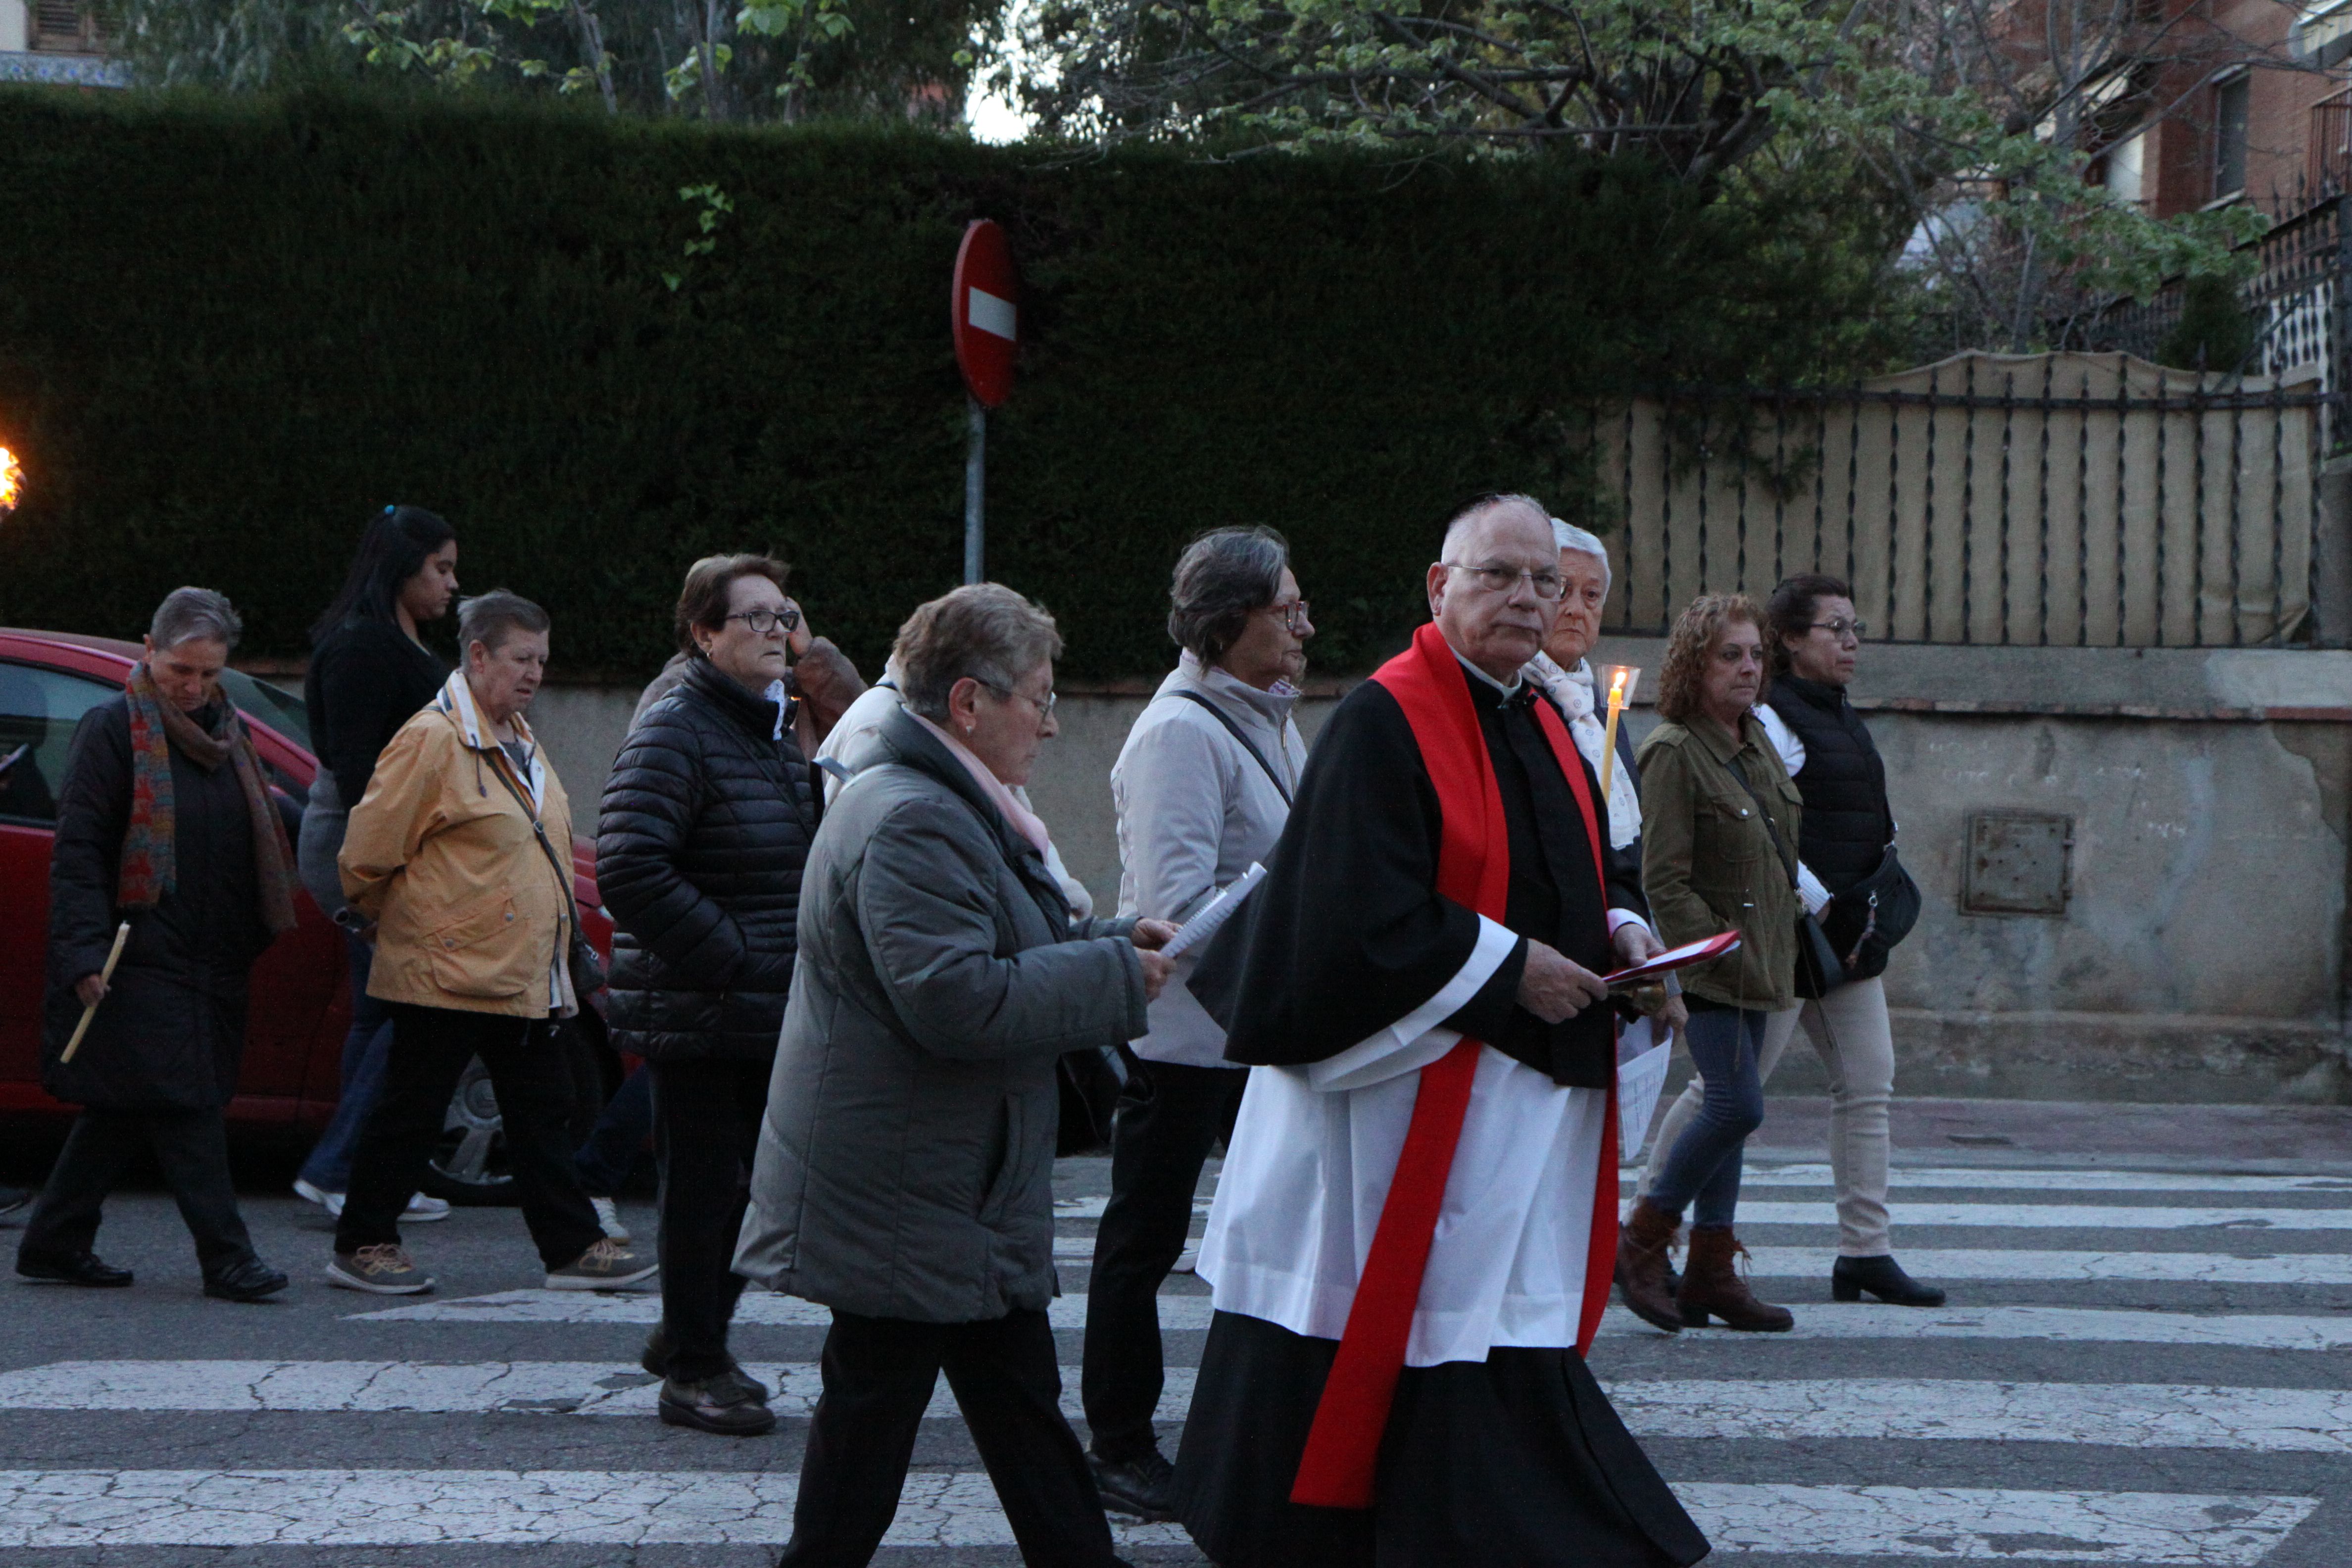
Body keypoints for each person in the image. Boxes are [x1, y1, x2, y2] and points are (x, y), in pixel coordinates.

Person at [1172, 495, 1707, 1568]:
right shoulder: (1389, 715)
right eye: (1497, 574)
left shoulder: (1544, 713)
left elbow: (1570, 871)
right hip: (1396, 1088)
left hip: (1501, 1096)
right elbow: (1350, 907)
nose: (1525, 596)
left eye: (1542, 581)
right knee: (1399, 1311)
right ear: (1439, 585)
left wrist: (1624, 931)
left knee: (1477, 1317)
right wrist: (1510, 967)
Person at [735, 583, 1174, 1568]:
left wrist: (1110, 939)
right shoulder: (915, 818)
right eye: (1040, 698)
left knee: (1001, 1417)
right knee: (883, 1430)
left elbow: (997, 946)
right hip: (913, 1189)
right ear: (970, 703)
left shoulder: (951, 802)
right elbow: (956, 998)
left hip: (942, 1185)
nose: (1053, 724)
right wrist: (1112, 972)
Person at [1081, 526, 1314, 1519]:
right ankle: (1120, 1442)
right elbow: (1177, 910)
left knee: (1275, 1234)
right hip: (1192, 1042)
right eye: (1285, 607)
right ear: (1229, 623)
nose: (1305, 623)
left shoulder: (1265, 713)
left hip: (1252, 1032)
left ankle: (1254, 1429)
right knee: (1145, 1236)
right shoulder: (1181, 730)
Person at [328, 590, 653, 1297]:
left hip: (519, 968)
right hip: (445, 967)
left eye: (541, 659)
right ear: (477, 657)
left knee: (543, 1109)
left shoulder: (517, 737)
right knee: (410, 1112)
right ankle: (363, 1243)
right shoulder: (435, 739)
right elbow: (367, 853)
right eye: (520, 659)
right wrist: (408, 923)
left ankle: (570, 1247)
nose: (534, 673)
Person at [597, 554, 825, 1437]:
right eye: (755, 618)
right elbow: (628, 864)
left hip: (756, 1005)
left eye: (784, 615)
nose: (777, 632)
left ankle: (688, 1331)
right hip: (703, 1008)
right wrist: (729, 956)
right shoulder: (679, 727)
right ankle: (694, 1366)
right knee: (704, 1191)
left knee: (755, 1189)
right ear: (703, 633)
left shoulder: (766, 723)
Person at [19, 588, 301, 1303]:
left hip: (212, 952)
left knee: (127, 1104)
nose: (194, 688)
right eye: (181, 670)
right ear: (149, 650)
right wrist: (81, 954)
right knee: (187, 1102)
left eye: (209, 674)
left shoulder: (228, 738)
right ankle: (227, 1257)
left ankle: (55, 1240)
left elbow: (259, 828)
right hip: (137, 949)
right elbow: (78, 851)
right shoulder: (113, 732)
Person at [1749, 573, 1942, 1306]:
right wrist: (1818, 902)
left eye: (1856, 628)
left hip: (1849, 940)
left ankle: (1865, 1251)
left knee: (1868, 1086)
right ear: (1792, 639)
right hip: (1790, 933)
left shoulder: (1837, 711)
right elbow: (1762, 825)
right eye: (1836, 628)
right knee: (1729, 1095)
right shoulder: (1772, 718)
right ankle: (1649, 1232)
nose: (1852, 642)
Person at [1621, 592, 1801, 1334]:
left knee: (1733, 1120)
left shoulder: (1756, 742)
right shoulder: (1672, 751)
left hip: (1765, 959)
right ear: (1696, 664)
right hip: (1715, 961)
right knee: (1735, 1105)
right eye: (1731, 655)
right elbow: (1663, 876)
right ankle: (1641, 1243)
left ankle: (1711, 1271)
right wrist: (1708, 951)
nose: (1748, 668)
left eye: (1756, 654)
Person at [293, 504, 460, 1225]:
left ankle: (356, 1171)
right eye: (442, 569)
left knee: (377, 1013)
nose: (452, 585)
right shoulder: (364, 646)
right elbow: (361, 770)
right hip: (366, 844)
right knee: (411, 1008)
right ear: (402, 569)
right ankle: (340, 1170)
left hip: (379, 841)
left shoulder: (392, 640)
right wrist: (383, 875)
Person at [1521, 518, 1686, 1043]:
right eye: (1562, 590)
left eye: (1592, 595)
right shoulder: (1513, 695)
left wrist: (1631, 925)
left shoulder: (1596, 706)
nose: (1576, 609)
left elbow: (1622, 845)